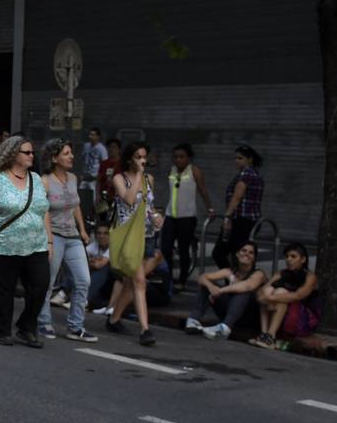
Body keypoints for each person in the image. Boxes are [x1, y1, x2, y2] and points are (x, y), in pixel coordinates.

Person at [0, 135, 51, 347]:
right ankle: (3, 330)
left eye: (32, 152)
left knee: (40, 286)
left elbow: (44, 211)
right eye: (27, 152)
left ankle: (26, 327)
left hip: (36, 245)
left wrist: (49, 242)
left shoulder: (36, 179)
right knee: (3, 291)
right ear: (13, 155)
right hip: (4, 245)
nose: (31, 155)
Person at [35, 139, 98, 342]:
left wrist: (82, 230)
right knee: (48, 282)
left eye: (71, 152)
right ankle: (43, 321)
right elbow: (40, 211)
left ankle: (75, 327)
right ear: (54, 158)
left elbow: (75, 204)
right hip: (53, 236)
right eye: (66, 153)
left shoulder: (72, 178)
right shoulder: (44, 181)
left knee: (83, 281)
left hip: (73, 237)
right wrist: (47, 240)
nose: (72, 156)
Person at [105, 142, 163, 346]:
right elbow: (129, 200)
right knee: (139, 280)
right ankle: (145, 329)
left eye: (144, 157)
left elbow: (148, 206)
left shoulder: (150, 179)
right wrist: (138, 174)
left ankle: (113, 319)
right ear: (130, 158)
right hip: (128, 236)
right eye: (138, 157)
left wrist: (157, 217)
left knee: (131, 282)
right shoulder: (119, 179)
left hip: (146, 233)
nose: (142, 161)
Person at [185, 241, 266, 339]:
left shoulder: (259, 273)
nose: (247, 254)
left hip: (250, 316)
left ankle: (225, 328)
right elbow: (202, 277)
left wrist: (220, 290)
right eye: (243, 250)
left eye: (251, 252)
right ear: (237, 254)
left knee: (243, 292)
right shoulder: (230, 271)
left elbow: (248, 286)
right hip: (230, 311)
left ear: (254, 258)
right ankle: (193, 320)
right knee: (206, 284)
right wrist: (211, 287)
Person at [161, 143, 213, 289]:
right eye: (176, 157)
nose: (178, 160)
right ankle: (168, 278)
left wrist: (210, 207)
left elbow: (202, 190)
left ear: (188, 158)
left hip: (187, 217)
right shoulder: (171, 170)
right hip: (170, 215)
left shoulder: (194, 171)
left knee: (184, 249)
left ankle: (182, 279)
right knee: (166, 248)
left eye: (181, 157)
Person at [253, 243, 320, 349]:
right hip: (281, 312)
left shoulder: (310, 277)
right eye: (287, 256)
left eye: (293, 256)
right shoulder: (281, 273)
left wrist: (270, 298)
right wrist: (264, 296)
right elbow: (262, 290)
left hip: (302, 319)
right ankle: (264, 334)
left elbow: (298, 295)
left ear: (303, 259)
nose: (289, 259)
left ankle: (270, 337)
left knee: (280, 293)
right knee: (268, 291)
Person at [212, 145, 264, 269]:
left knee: (221, 253)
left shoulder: (246, 173)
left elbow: (237, 197)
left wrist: (227, 218)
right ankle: (235, 283)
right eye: (235, 158)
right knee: (239, 256)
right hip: (249, 220)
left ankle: (233, 283)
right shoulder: (255, 174)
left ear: (249, 159)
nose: (236, 161)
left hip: (241, 221)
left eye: (240, 158)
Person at [79, 127, 108, 221]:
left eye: (93, 134)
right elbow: (82, 160)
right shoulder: (86, 146)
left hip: (94, 179)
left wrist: (99, 177)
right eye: (89, 134)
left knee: (94, 201)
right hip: (85, 177)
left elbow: (104, 163)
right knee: (81, 198)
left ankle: (95, 219)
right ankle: (84, 217)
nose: (90, 136)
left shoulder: (101, 149)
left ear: (98, 136)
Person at [86, 222, 114, 310]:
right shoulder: (95, 245)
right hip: (99, 285)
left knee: (104, 268)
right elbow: (80, 260)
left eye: (106, 233)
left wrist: (92, 261)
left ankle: (84, 300)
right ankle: (63, 294)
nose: (101, 236)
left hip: (111, 285)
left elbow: (99, 265)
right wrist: (93, 261)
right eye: (99, 233)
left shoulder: (113, 246)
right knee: (78, 267)